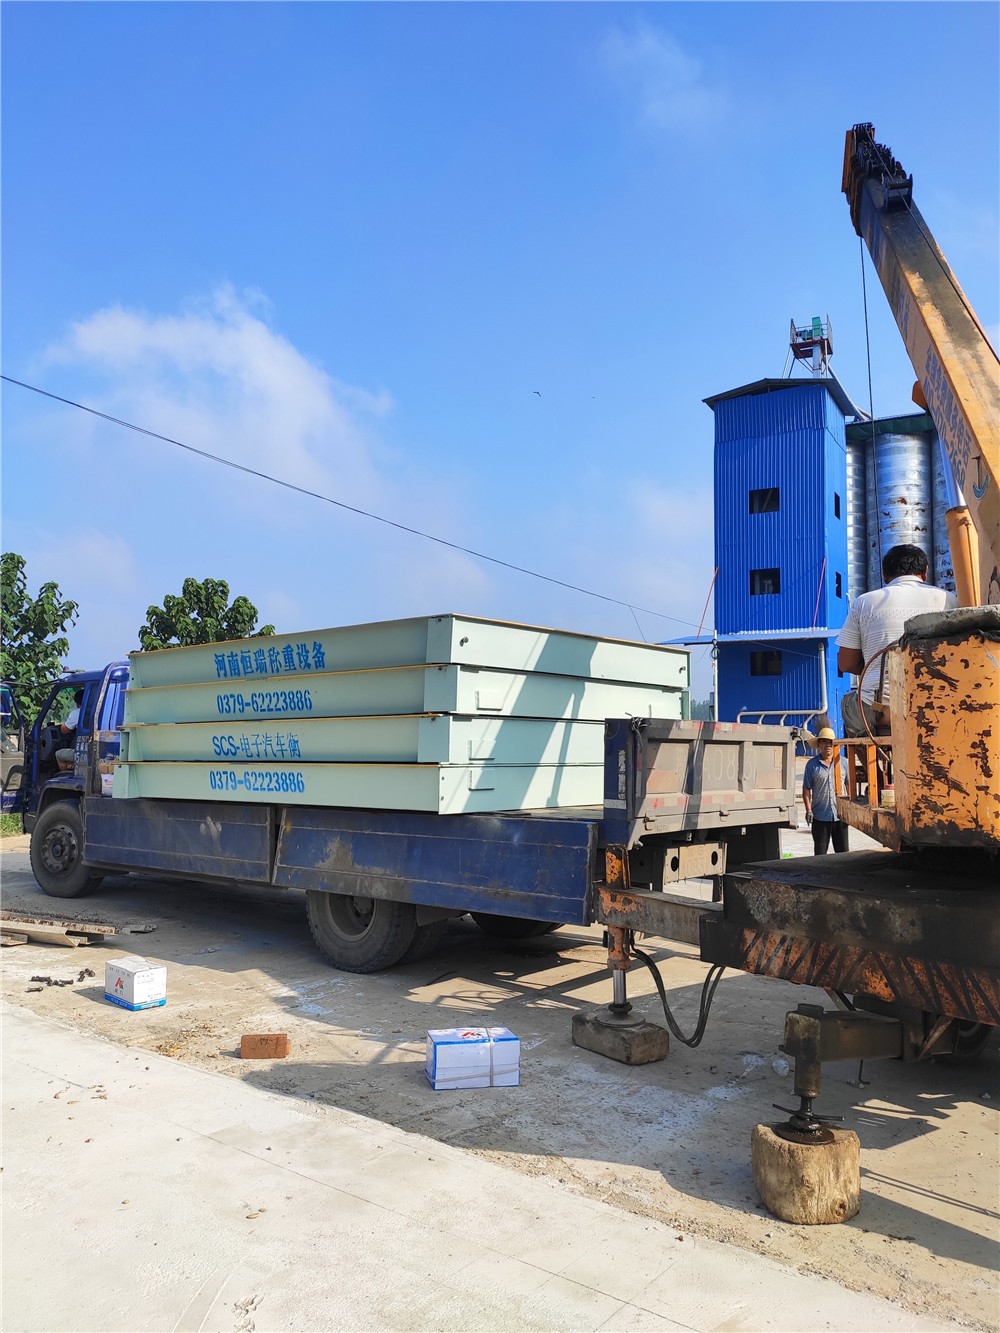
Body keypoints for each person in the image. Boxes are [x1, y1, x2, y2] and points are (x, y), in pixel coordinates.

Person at [837, 544, 958, 737]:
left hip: (880, 709)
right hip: (936, 705)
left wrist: (879, 668)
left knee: (847, 703)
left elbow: (846, 663)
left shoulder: (864, 602)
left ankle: (871, 757)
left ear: (885, 576)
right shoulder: (949, 600)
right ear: (925, 572)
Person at [802, 726, 849, 854]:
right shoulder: (812, 765)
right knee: (820, 854)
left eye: (830, 742)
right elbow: (806, 789)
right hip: (820, 817)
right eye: (824, 741)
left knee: (843, 854)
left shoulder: (843, 763)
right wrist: (808, 810)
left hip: (840, 816)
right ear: (819, 744)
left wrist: (849, 807)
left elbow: (848, 785)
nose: (828, 745)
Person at [55, 689, 84, 772]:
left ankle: (65, 775)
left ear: (76, 703)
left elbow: (64, 730)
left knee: (59, 754)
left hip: (84, 752)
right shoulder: (100, 711)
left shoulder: (77, 713)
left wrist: (64, 724)